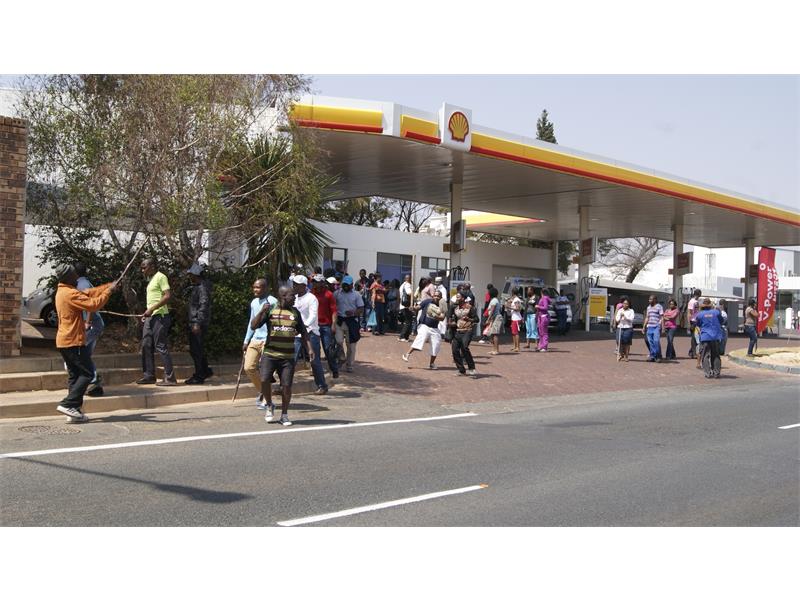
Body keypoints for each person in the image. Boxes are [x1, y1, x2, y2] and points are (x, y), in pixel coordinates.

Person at [53, 264, 115, 422]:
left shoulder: (64, 291)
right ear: (68, 277)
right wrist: (108, 292)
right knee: (87, 373)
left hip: (64, 341)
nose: (77, 276)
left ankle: (74, 410)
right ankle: (68, 404)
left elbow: (88, 293)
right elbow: (93, 305)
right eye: (74, 274)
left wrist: (107, 286)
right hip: (73, 341)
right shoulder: (70, 294)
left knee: (74, 376)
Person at [251, 285, 313, 427]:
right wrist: (262, 311)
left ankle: (284, 415)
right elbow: (253, 326)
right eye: (292, 296)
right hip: (270, 354)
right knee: (264, 380)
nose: (294, 298)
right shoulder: (270, 309)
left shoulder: (295, 313)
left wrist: (310, 349)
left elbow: (303, 332)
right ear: (283, 296)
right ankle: (269, 405)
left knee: (286, 386)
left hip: (287, 356)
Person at [137, 258, 176, 386]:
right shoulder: (151, 280)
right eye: (142, 268)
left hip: (160, 316)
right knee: (146, 345)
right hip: (150, 317)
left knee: (160, 346)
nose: (142, 270)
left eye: (144, 267)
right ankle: (149, 375)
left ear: (152, 266)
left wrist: (152, 309)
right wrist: (147, 312)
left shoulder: (161, 277)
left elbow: (167, 296)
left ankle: (170, 378)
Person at [243, 278, 277, 409]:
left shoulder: (273, 302)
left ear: (266, 288)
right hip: (255, 339)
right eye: (254, 287)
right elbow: (251, 322)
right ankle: (263, 391)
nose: (255, 290)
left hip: (268, 340)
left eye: (258, 287)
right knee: (249, 367)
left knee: (265, 371)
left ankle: (267, 400)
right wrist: (246, 340)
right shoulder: (254, 302)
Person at [292, 274, 328, 395]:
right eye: (294, 284)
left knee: (314, 361)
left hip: (311, 333)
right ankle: (284, 386)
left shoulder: (311, 298)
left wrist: (304, 326)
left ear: (303, 286)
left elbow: (313, 315)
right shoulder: (294, 298)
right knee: (292, 359)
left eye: (296, 284)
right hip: (297, 334)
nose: (294, 286)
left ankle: (322, 385)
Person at [74, 262, 105, 397]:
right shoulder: (83, 283)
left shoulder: (82, 285)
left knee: (78, 354)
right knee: (84, 355)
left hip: (92, 326)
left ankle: (92, 381)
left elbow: (90, 304)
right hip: (93, 325)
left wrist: (87, 322)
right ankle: (93, 382)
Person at [185, 262, 213, 384]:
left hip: (197, 323)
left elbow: (203, 305)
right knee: (197, 349)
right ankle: (205, 370)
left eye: (191, 274)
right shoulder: (199, 286)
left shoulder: (202, 288)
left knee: (196, 350)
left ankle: (199, 375)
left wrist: (197, 322)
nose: (189, 277)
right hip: (196, 322)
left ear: (195, 275)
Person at [403, 289, 446, 369]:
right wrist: (413, 308)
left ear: (441, 297)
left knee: (436, 345)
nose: (436, 297)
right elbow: (418, 307)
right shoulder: (427, 301)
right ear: (433, 296)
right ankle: (407, 354)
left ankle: (431, 364)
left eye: (438, 296)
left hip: (434, 328)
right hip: (424, 325)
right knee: (420, 339)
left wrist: (434, 315)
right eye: (435, 295)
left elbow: (442, 318)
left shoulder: (443, 305)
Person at [311, 273, 339, 382]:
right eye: (314, 282)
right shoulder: (311, 294)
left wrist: (333, 324)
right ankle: (315, 370)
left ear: (322, 283)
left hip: (326, 325)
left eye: (317, 282)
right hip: (314, 326)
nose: (315, 284)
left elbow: (334, 311)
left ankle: (334, 369)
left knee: (328, 349)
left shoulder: (329, 295)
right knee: (315, 349)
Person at [334, 275, 364, 372]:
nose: (346, 286)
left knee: (351, 345)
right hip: (339, 321)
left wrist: (353, 312)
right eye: (344, 284)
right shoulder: (337, 294)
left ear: (352, 285)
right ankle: (341, 357)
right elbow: (333, 306)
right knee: (338, 341)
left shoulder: (356, 295)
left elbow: (361, 308)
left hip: (351, 322)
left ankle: (349, 365)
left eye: (347, 284)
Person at [449, 293, 478, 376]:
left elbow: (476, 319)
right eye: (456, 297)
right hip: (458, 331)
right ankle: (461, 370)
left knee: (465, 348)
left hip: (467, 330)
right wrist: (451, 323)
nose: (457, 298)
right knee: (454, 350)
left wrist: (469, 319)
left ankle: (472, 368)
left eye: (458, 297)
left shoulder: (470, 308)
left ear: (463, 298)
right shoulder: (455, 308)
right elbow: (453, 319)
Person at [697, 298, 724, 378]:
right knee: (716, 355)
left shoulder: (700, 314)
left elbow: (698, 324)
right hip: (715, 336)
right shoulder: (716, 312)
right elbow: (722, 321)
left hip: (705, 336)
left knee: (705, 355)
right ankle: (716, 372)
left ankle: (707, 373)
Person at [643, 294, 664, 363]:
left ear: (655, 300)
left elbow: (662, 317)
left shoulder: (659, 306)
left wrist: (663, 327)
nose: (649, 300)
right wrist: (644, 327)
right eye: (649, 299)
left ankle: (658, 356)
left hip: (656, 326)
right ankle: (652, 356)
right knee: (650, 342)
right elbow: (647, 317)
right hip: (649, 326)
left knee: (656, 341)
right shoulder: (648, 307)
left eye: (651, 299)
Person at [485, 286, 503, 355]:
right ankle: (494, 349)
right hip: (494, 318)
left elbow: (492, 310)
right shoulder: (494, 300)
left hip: (496, 318)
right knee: (492, 334)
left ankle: (496, 350)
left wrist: (488, 319)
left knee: (495, 334)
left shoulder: (494, 300)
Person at [686, 288, 702, 359]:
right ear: (697, 294)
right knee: (694, 337)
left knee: (696, 337)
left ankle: (691, 352)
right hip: (693, 321)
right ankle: (693, 353)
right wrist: (689, 324)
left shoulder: (697, 301)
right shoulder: (691, 302)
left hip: (697, 321)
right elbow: (689, 313)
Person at [507, 286, 523, 353]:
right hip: (514, 318)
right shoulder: (514, 299)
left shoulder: (516, 299)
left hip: (516, 318)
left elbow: (518, 309)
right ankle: (515, 346)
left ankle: (518, 347)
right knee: (513, 333)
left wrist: (510, 308)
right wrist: (509, 303)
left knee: (516, 333)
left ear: (512, 292)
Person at [398, 275, 414, 342]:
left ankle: (406, 337)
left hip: (402, 305)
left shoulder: (402, 285)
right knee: (408, 322)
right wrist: (415, 295)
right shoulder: (407, 285)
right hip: (406, 306)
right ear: (409, 279)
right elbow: (409, 293)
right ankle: (402, 336)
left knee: (408, 321)